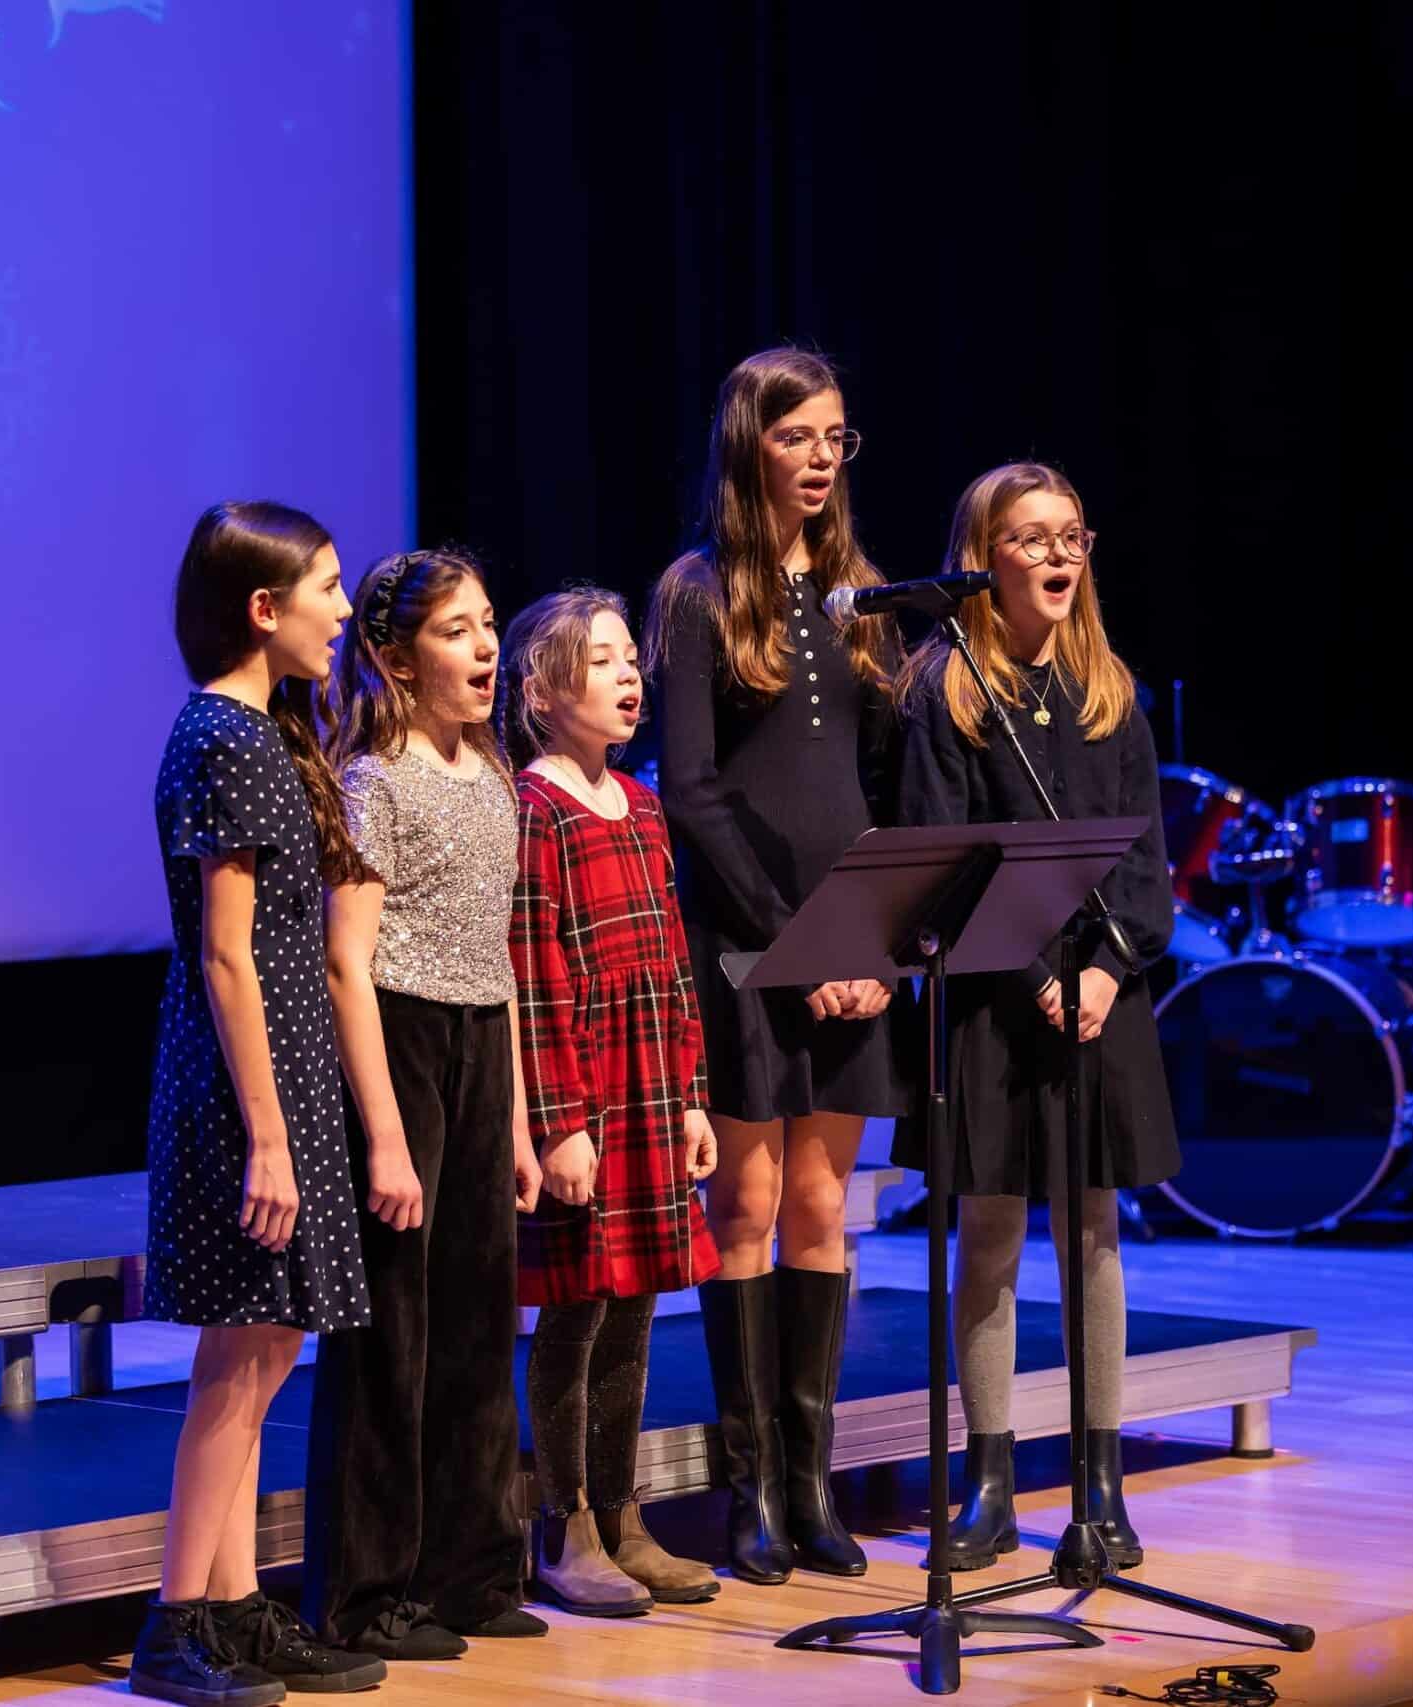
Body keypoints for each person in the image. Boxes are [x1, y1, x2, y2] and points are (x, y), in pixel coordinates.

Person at [891, 462, 1180, 1574]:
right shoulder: (947, 692)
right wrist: (1032, 980)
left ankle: (1101, 1485)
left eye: (1071, 535)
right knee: (993, 1231)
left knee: (1095, 1227)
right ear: (983, 559)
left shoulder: (1109, 692)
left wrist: (1105, 969)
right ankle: (991, 1482)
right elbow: (944, 862)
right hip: (995, 999)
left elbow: (1144, 861)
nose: (1058, 555)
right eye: (1030, 538)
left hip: (1104, 996)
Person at [646, 346, 905, 1582]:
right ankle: (748, 1488)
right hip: (744, 940)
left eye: (835, 438)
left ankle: (811, 1486)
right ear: (749, 442)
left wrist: (880, 934)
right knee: (744, 1207)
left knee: (820, 1207)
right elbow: (691, 789)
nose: (820, 459)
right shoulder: (697, 591)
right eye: (798, 436)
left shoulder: (861, 592)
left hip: (852, 939)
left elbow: (888, 780)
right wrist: (791, 943)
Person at [134, 501, 388, 1704]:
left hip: (280, 1076)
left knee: (269, 1349)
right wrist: (271, 1138)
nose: (341, 610)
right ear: (261, 606)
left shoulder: (263, 733)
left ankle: (235, 1609)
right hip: (246, 1094)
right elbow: (227, 955)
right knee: (237, 1360)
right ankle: (175, 1624)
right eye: (326, 588)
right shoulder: (221, 739)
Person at [304, 549, 545, 1658]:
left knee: (478, 1320)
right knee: (389, 1331)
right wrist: (388, 1138)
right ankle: (366, 1593)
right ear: (398, 660)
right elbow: (345, 962)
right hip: (397, 1043)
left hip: (480, 1042)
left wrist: (519, 1120)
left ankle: (472, 1571)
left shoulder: (493, 777)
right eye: (457, 630)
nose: (486, 646)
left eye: (488, 623)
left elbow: (498, 958)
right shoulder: (374, 780)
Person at [498, 587, 723, 1616]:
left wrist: (691, 1096)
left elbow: (672, 964)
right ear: (543, 691)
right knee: (576, 1311)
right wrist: (560, 1122)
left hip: (648, 1087)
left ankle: (626, 1513)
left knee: (635, 1309)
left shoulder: (640, 804)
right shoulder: (533, 809)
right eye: (600, 659)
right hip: (585, 1093)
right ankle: (566, 1521)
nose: (628, 674)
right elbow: (534, 975)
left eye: (630, 656)